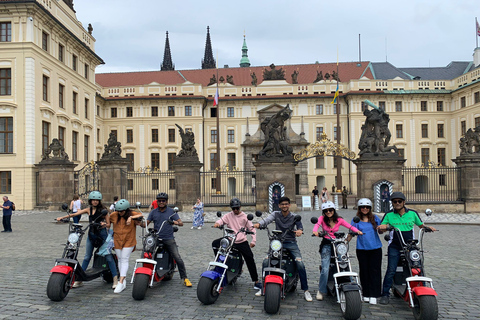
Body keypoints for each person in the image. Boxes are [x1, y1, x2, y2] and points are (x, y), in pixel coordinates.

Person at [377, 192, 436, 305]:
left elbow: (420, 225)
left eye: (400, 201)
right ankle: (385, 294)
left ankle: (421, 294)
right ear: (392, 203)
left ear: (404, 202)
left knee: (418, 268)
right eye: (395, 201)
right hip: (394, 246)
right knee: (391, 270)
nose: (397, 203)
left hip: (410, 246)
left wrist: (427, 228)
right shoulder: (389, 214)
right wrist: (383, 227)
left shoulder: (412, 213)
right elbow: (381, 229)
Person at [253, 196, 313, 302]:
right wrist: (259, 224)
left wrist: (299, 231)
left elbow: (300, 226)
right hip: (277, 243)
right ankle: (263, 286)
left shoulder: (295, 216)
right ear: (279, 205)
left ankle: (306, 290)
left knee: (300, 263)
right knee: (266, 261)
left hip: (290, 242)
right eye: (282, 204)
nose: (284, 206)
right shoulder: (275, 214)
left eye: (286, 204)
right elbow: (267, 221)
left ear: (289, 205)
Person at [56, 191, 117, 288]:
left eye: (97, 200)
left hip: (102, 236)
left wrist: (104, 224)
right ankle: (80, 279)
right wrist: (62, 217)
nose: (95, 202)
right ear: (90, 201)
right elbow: (75, 214)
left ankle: (115, 279)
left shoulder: (103, 210)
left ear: (99, 201)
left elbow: (109, 224)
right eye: (93, 200)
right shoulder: (89, 209)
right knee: (87, 256)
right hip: (91, 235)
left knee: (108, 257)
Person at [312, 201, 363, 301]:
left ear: (334, 210)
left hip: (338, 244)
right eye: (326, 210)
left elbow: (350, 226)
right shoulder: (322, 218)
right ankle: (321, 290)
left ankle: (352, 284)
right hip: (327, 243)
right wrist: (315, 232)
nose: (328, 212)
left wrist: (357, 231)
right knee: (325, 268)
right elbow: (317, 225)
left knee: (344, 262)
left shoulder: (339, 219)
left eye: (330, 210)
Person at [212, 198, 261, 291]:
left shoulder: (245, 217)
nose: (235, 210)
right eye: (233, 208)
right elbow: (221, 220)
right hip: (230, 240)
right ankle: (220, 265)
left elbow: (252, 229)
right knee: (215, 244)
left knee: (249, 258)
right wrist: (217, 223)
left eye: (237, 208)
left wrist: (253, 240)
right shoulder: (229, 215)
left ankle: (256, 281)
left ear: (240, 207)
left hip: (241, 241)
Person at [145, 192, 192, 287]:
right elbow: (146, 223)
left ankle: (185, 278)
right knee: (147, 253)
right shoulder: (153, 212)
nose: (161, 202)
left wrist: (173, 222)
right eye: (159, 201)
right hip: (156, 238)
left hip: (168, 238)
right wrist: (138, 222)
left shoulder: (171, 212)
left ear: (166, 202)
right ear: (156, 202)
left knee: (177, 257)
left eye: (163, 201)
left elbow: (181, 223)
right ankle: (146, 275)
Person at [347, 198, 382, 304]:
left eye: (367, 207)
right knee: (364, 271)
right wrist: (345, 242)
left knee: (375, 271)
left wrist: (382, 228)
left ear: (370, 208)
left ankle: (374, 294)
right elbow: (351, 232)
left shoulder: (375, 218)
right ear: (359, 208)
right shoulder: (356, 220)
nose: (365, 209)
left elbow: (381, 231)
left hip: (375, 248)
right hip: (362, 249)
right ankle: (366, 293)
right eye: (363, 207)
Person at [110, 199, 142, 293]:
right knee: (120, 259)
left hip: (129, 240)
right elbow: (108, 220)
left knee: (124, 258)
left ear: (127, 210)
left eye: (122, 211)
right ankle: (123, 280)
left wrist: (131, 218)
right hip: (117, 240)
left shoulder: (132, 213)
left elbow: (141, 215)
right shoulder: (114, 215)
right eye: (118, 211)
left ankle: (121, 281)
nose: (120, 213)